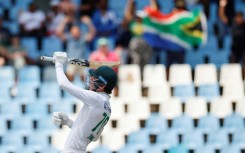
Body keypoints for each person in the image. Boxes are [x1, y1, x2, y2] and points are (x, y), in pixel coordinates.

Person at [52, 51, 118, 153]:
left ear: (102, 85)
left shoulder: (96, 98)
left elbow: (63, 84)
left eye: (94, 78)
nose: (91, 79)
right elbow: (93, 136)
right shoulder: (107, 108)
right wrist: (69, 122)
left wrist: (58, 64)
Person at [56, 16, 96, 81]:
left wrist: (89, 23)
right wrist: (64, 22)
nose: (75, 33)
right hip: (71, 61)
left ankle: (83, 88)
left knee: (85, 77)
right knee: (69, 76)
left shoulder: (83, 38)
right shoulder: (69, 38)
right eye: (73, 31)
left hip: (82, 61)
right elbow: (58, 33)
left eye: (77, 31)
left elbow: (93, 33)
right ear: (71, 32)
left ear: (80, 32)